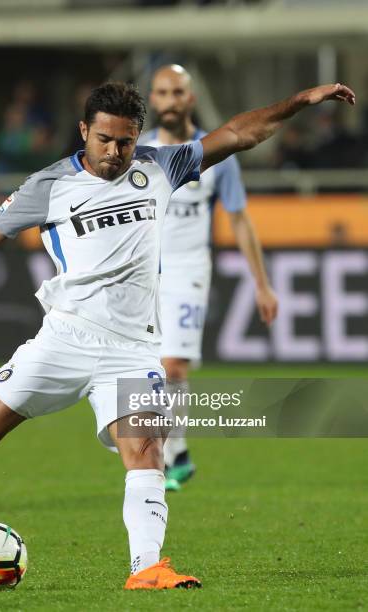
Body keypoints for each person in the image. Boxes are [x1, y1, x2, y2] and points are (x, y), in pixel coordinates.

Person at [0, 80, 355, 590]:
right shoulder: (48, 186)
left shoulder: (161, 166)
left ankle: (147, 568)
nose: (115, 153)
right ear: (84, 131)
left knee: (145, 447)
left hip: (132, 350)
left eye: (126, 142)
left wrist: (298, 102)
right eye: (105, 140)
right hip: (65, 340)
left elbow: (238, 134)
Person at [141, 64, 279, 491]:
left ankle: (164, 455)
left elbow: (240, 221)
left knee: (174, 365)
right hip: (141, 272)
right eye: (161, 93)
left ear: (190, 98)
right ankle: (176, 451)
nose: (169, 100)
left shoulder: (215, 155)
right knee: (144, 367)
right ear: (153, 99)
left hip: (188, 269)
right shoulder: (139, 153)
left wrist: (261, 283)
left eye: (177, 92)